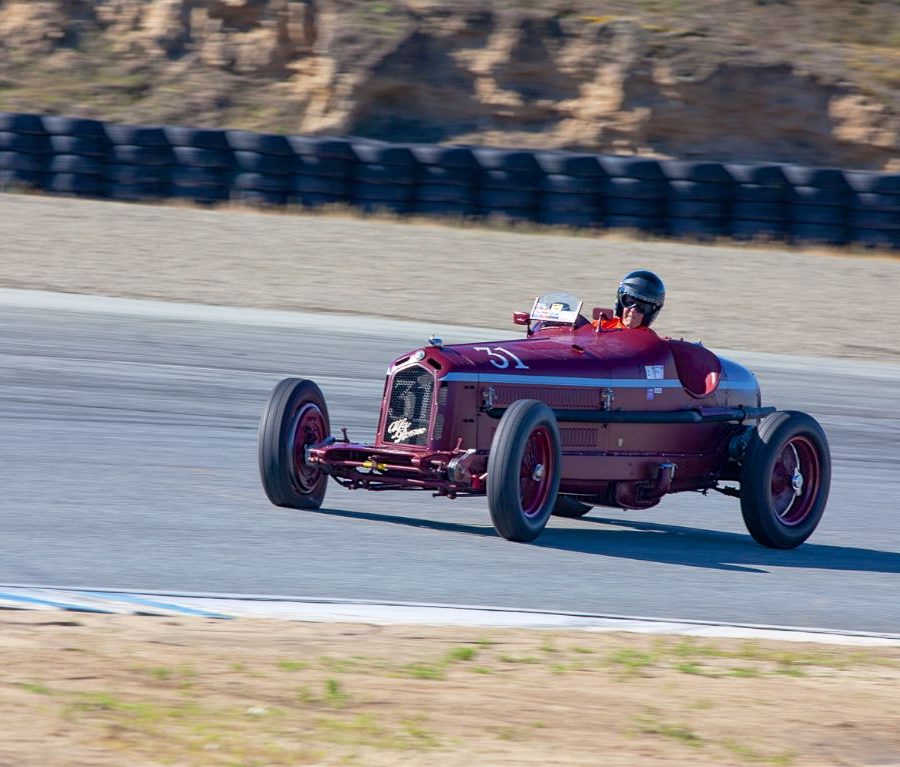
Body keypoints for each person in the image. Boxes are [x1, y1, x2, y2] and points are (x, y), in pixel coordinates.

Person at [597, 270, 665, 331]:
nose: (633, 310)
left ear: (650, 313)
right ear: (620, 303)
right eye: (629, 302)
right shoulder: (601, 325)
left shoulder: (653, 341)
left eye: (642, 306)